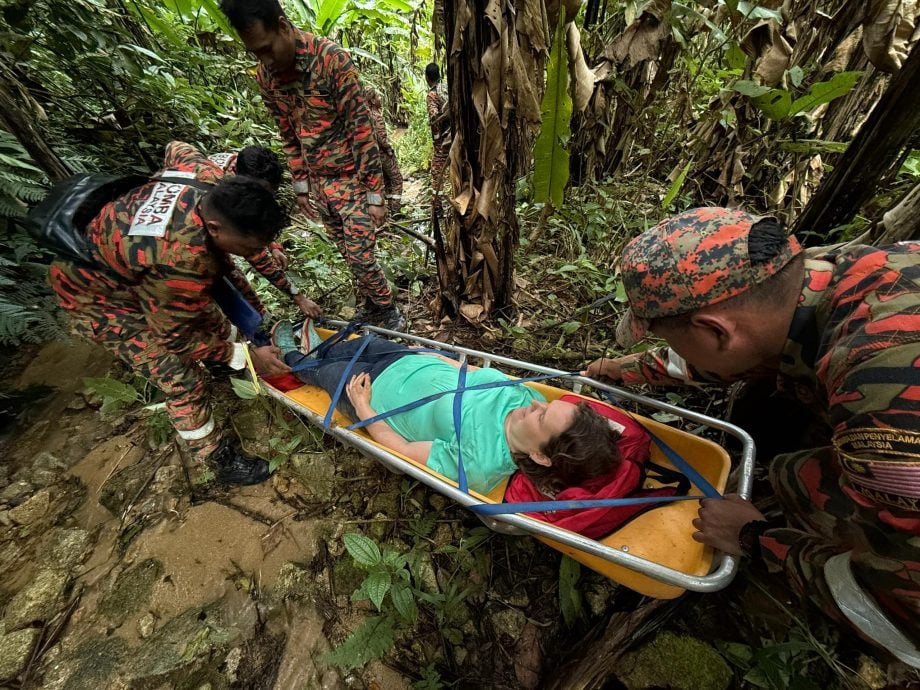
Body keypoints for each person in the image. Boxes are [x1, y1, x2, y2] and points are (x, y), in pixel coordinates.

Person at [584, 207, 920, 653]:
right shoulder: (837, 274)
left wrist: (754, 539)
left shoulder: (883, 395)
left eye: (667, 337)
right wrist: (619, 371)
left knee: (800, 483)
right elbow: (718, 355)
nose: (669, 349)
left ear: (714, 331)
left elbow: (906, 597)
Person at [49, 141, 296, 486]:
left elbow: (176, 147)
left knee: (210, 320)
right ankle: (215, 458)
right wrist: (243, 355)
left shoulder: (209, 181)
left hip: (129, 264)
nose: (255, 254)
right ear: (214, 228)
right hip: (98, 296)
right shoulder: (182, 262)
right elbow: (174, 337)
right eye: (251, 248)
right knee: (180, 375)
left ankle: (225, 366)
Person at [220, 0, 405, 331]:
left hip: (353, 179)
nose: (264, 61)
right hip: (320, 184)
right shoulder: (267, 78)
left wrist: (375, 193)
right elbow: (288, 135)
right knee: (347, 254)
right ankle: (370, 303)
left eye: (266, 49)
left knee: (361, 255)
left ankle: (388, 309)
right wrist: (302, 186)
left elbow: (360, 130)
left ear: (284, 27)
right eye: (255, 54)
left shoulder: (331, 60)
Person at [281, 330, 620, 495]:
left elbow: (400, 450)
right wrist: (429, 354)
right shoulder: (527, 397)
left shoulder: (478, 464)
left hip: (371, 390)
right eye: (546, 404)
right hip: (404, 359)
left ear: (540, 456)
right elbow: (471, 374)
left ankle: (291, 357)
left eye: (542, 417)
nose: (535, 404)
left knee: (321, 371)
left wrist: (363, 406)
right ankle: (318, 346)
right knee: (351, 345)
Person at [364, 87, 404, 216]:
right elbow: (381, 138)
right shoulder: (376, 117)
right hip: (382, 154)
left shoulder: (366, 116)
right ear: (372, 101)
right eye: (377, 97)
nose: (380, 98)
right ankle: (396, 210)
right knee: (397, 179)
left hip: (373, 155)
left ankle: (389, 208)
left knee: (387, 180)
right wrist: (389, 148)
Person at [425, 62, 451, 213]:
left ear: (427, 77)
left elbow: (434, 116)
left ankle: (437, 207)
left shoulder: (433, 94)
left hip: (443, 142)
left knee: (436, 173)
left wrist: (437, 139)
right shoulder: (446, 88)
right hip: (454, 136)